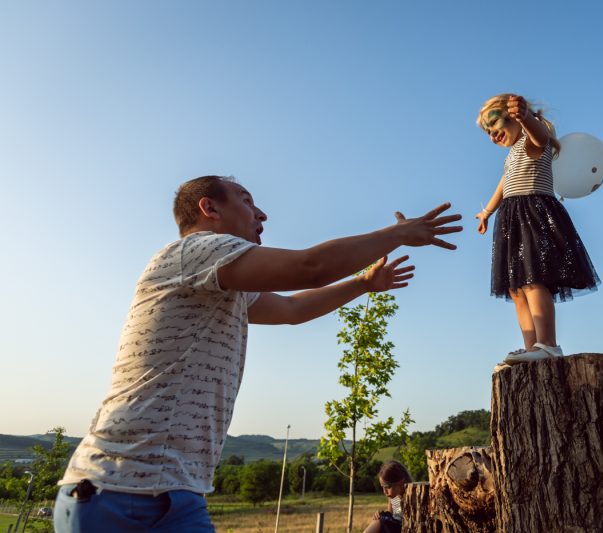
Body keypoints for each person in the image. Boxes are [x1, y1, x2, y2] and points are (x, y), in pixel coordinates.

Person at [53, 175, 461, 532]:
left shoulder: (224, 281)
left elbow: (292, 309)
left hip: (180, 492)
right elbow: (310, 266)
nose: (261, 213)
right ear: (208, 207)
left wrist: (362, 285)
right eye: (247, 200)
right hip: (116, 488)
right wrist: (396, 235)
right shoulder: (195, 251)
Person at [474, 94, 599, 368]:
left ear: (514, 120)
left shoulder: (532, 142)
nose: (494, 137)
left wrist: (526, 118)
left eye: (497, 129)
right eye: (489, 134)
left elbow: (540, 137)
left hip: (533, 214)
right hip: (511, 218)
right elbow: (503, 185)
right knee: (517, 287)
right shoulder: (510, 156)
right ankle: (532, 349)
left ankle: (549, 345)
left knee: (533, 279)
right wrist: (486, 212)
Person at [363, 461, 412, 533]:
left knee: (380, 521)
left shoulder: (413, 498)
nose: (384, 492)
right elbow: (391, 515)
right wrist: (379, 514)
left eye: (387, 487)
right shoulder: (393, 498)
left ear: (401, 482)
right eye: (382, 487)